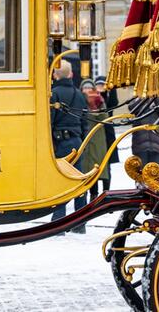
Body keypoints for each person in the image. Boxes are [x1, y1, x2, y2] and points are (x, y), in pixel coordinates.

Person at [49, 60, 88, 230]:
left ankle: (58, 219)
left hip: (60, 142)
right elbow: (85, 121)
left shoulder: (53, 94)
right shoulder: (79, 94)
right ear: (71, 74)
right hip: (77, 141)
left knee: (59, 180)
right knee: (78, 181)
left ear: (55, 75)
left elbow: (49, 121)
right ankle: (80, 222)